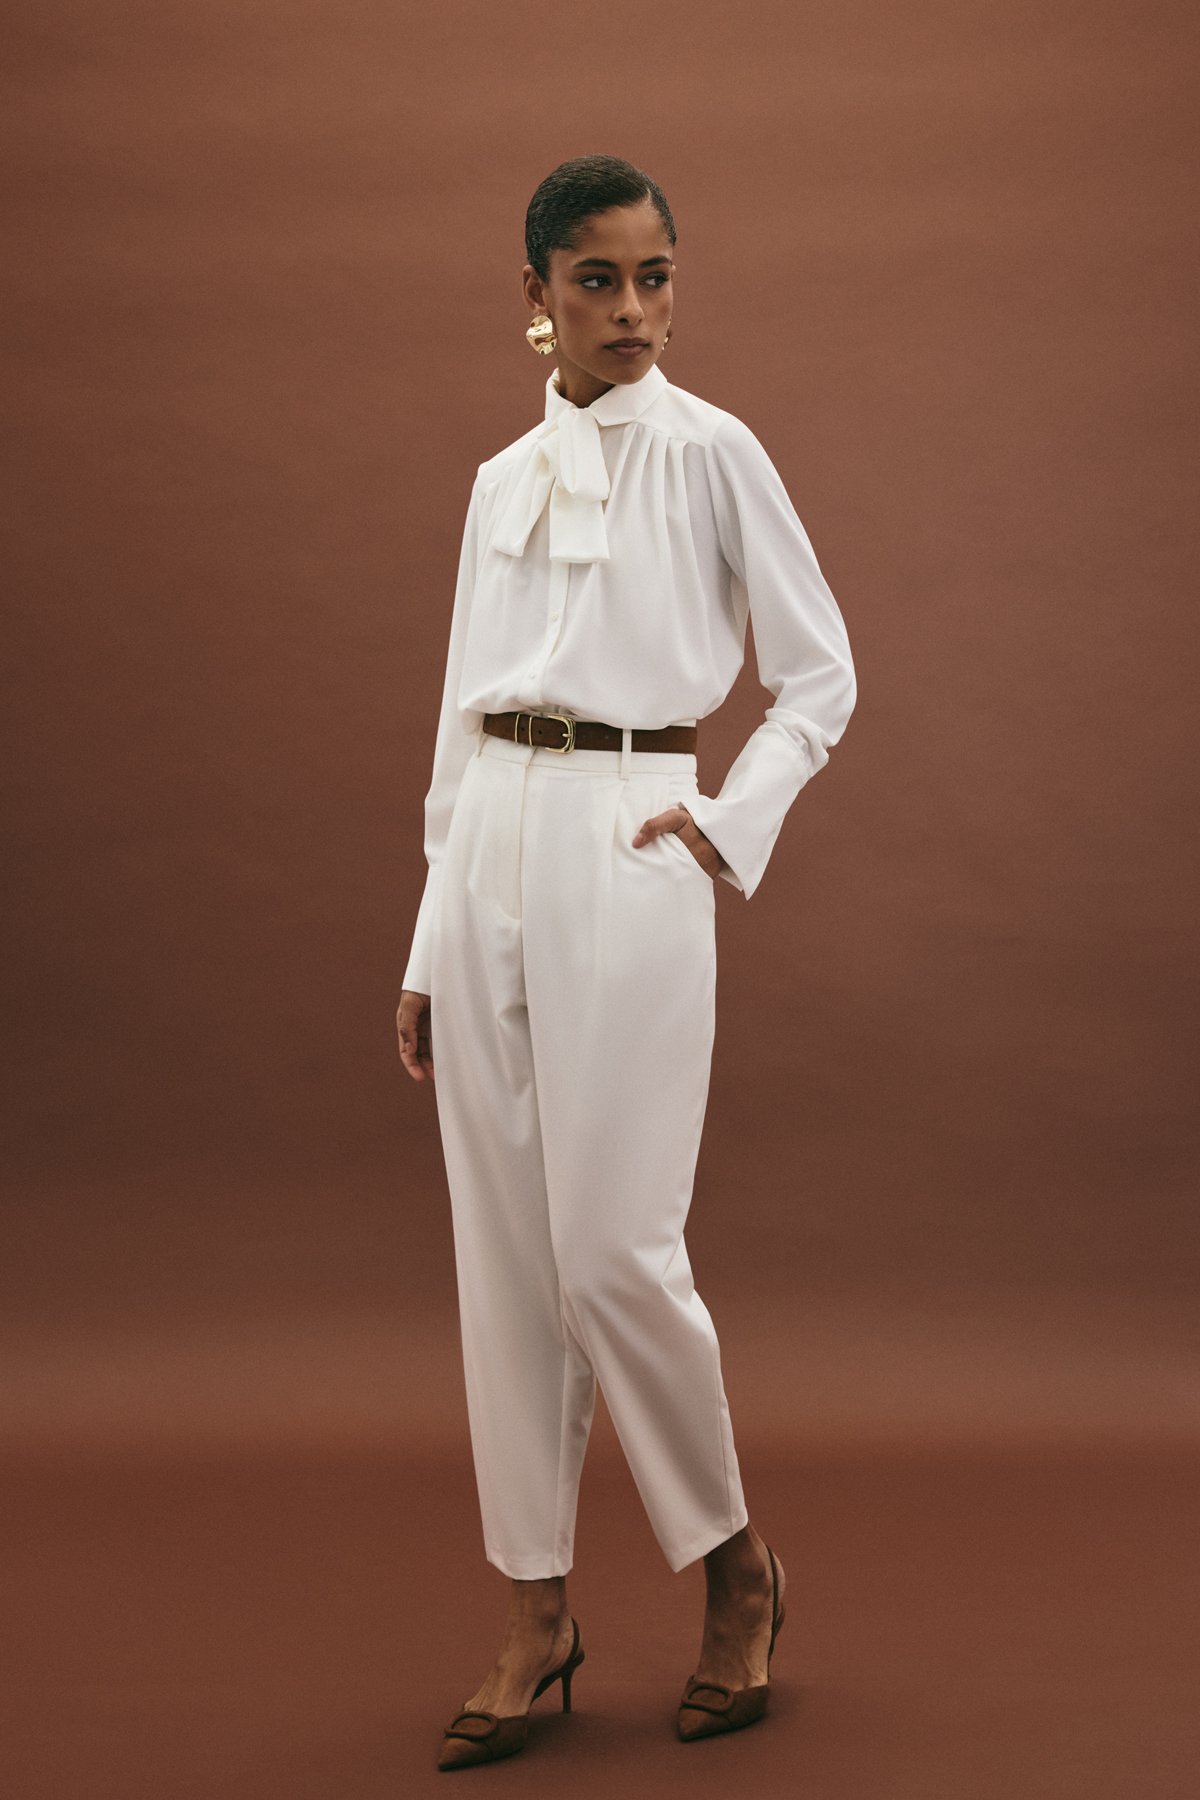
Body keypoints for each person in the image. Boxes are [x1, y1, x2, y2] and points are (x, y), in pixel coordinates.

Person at [396, 154, 856, 1771]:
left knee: (610, 1251)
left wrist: (725, 823)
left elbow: (820, 676)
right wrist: (430, 939)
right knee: (506, 1259)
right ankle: (537, 1613)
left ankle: (735, 1567)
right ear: (535, 295)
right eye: (596, 279)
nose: (634, 309)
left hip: (635, 832)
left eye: (655, 276)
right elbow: (459, 722)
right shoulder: (498, 483)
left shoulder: (713, 452)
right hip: (494, 846)